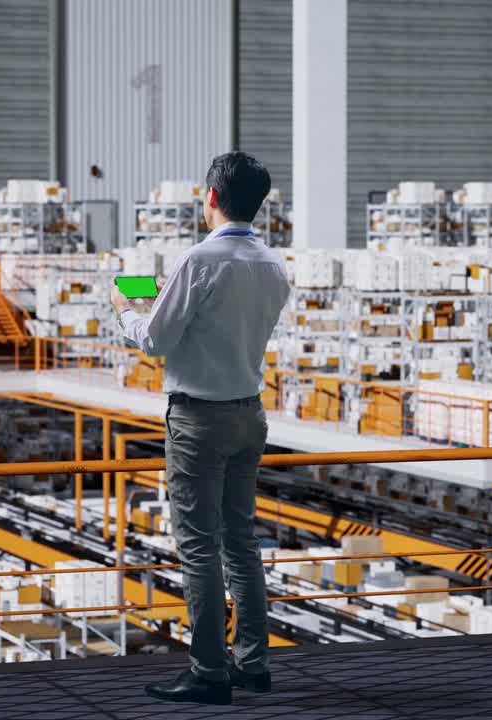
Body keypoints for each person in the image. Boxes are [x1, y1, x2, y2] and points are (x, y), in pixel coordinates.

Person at [111, 152, 291, 705]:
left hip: (199, 420)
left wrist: (125, 308)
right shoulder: (273, 265)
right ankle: (253, 665)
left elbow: (155, 339)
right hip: (249, 414)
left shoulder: (199, 260)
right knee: (241, 543)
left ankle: (208, 671)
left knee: (198, 548)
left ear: (210, 197)